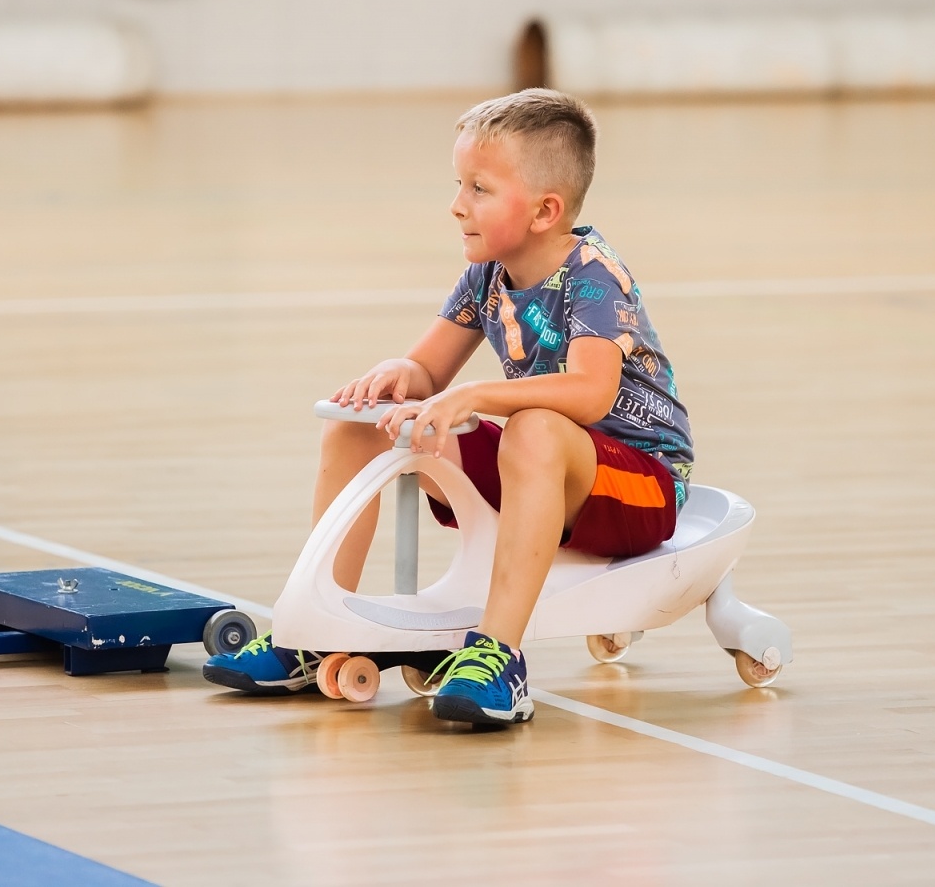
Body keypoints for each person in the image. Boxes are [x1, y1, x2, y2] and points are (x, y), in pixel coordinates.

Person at [203, 89, 694, 728]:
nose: (457, 204)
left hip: (639, 484)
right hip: (543, 460)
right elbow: (430, 372)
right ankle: (317, 627)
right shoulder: (488, 272)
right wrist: (400, 374)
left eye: (480, 189)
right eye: (460, 184)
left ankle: (499, 655)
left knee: (536, 428)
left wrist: (476, 395)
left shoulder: (593, 275)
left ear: (546, 210)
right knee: (364, 430)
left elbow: (590, 394)